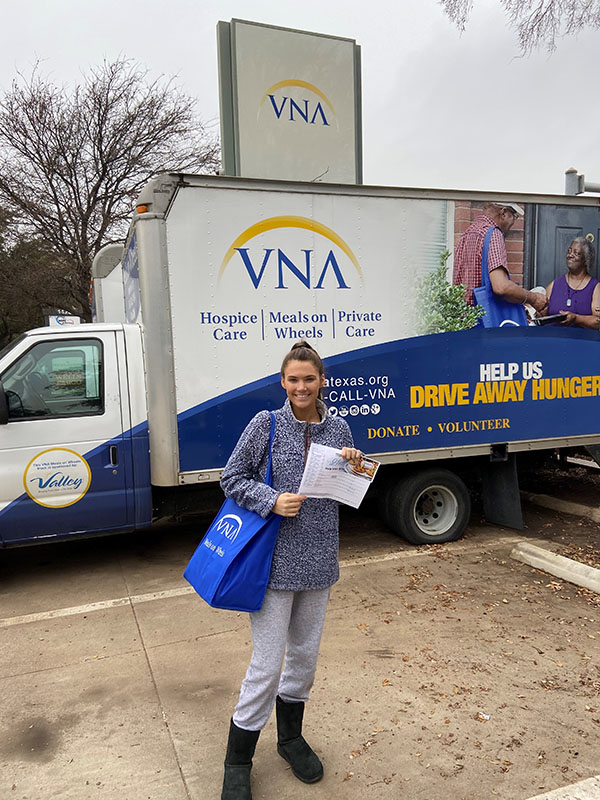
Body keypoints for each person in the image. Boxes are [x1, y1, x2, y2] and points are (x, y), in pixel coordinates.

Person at [219, 340, 361, 800]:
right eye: (293, 379)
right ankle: (238, 759)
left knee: (303, 658)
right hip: (273, 565)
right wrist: (271, 499)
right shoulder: (267, 425)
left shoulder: (339, 427)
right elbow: (231, 478)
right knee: (265, 664)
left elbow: (345, 487)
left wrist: (356, 467)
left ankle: (290, 739)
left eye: (310, 378)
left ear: (322, 381)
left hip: (320, 560)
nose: (302, 386)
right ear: (283, 382)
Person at [453, 201, 548, 315]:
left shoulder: (467, 233)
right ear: (503, 213)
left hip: (464, 321)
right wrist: (533, 298)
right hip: (484, 323)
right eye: (514, 216)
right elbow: (501, 287)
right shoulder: (493, 233)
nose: (513, 222)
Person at [543, 237, 600, 329]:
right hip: (553, 339)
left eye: (576, 253)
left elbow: (598, 322)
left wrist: (576, 318)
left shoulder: (595, 287)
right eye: (569, 251)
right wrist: (532, 313)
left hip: (581, 341)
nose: (570, 255)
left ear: (586, 260)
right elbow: (541, 314)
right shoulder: (554, 285)